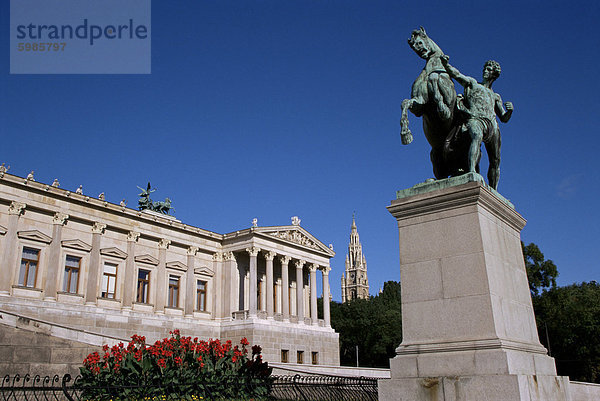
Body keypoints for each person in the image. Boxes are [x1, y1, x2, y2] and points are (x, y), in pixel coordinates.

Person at [440, 55, 513, 189]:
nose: (486, 70)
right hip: (475, 119)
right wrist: (446, 65)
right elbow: (457, 75)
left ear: (494, 75)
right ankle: (472, 171)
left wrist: (509, 111)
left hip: (492, 124)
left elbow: (503, 118)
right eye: (485, 68)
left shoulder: (496, 96)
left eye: (489, 69)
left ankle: (493, 189)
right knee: (476, 136)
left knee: (495, 159)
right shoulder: (473, 83)